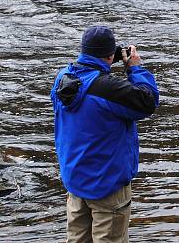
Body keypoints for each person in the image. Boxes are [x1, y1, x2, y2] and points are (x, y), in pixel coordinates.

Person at [51, 26, 159, 243]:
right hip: (107, 183)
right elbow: (148, 102)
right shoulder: (109, 89)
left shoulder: (63, 78)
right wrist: (135, 68)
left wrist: (107, 64)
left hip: (75, 177)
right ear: (111, 55)